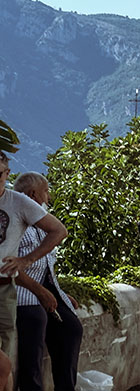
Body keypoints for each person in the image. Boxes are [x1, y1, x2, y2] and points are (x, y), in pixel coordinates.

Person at [0, 155, 67, 390]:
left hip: (6, 289)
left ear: (7, 175)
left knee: (4, 364)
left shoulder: (17, 204)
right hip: (20, 295)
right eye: (45, 192)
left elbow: (59, 231)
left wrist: (26, 261)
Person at [12, 173, 82, 391]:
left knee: (71, 328)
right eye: (45, 192)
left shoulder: (39, 224)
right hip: (21, 291)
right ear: (33, 195)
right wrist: (40, 291)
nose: (48, 198)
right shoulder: (15, 222)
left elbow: (45, 265)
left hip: (43, 289)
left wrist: (57, 291)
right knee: (34, 320)